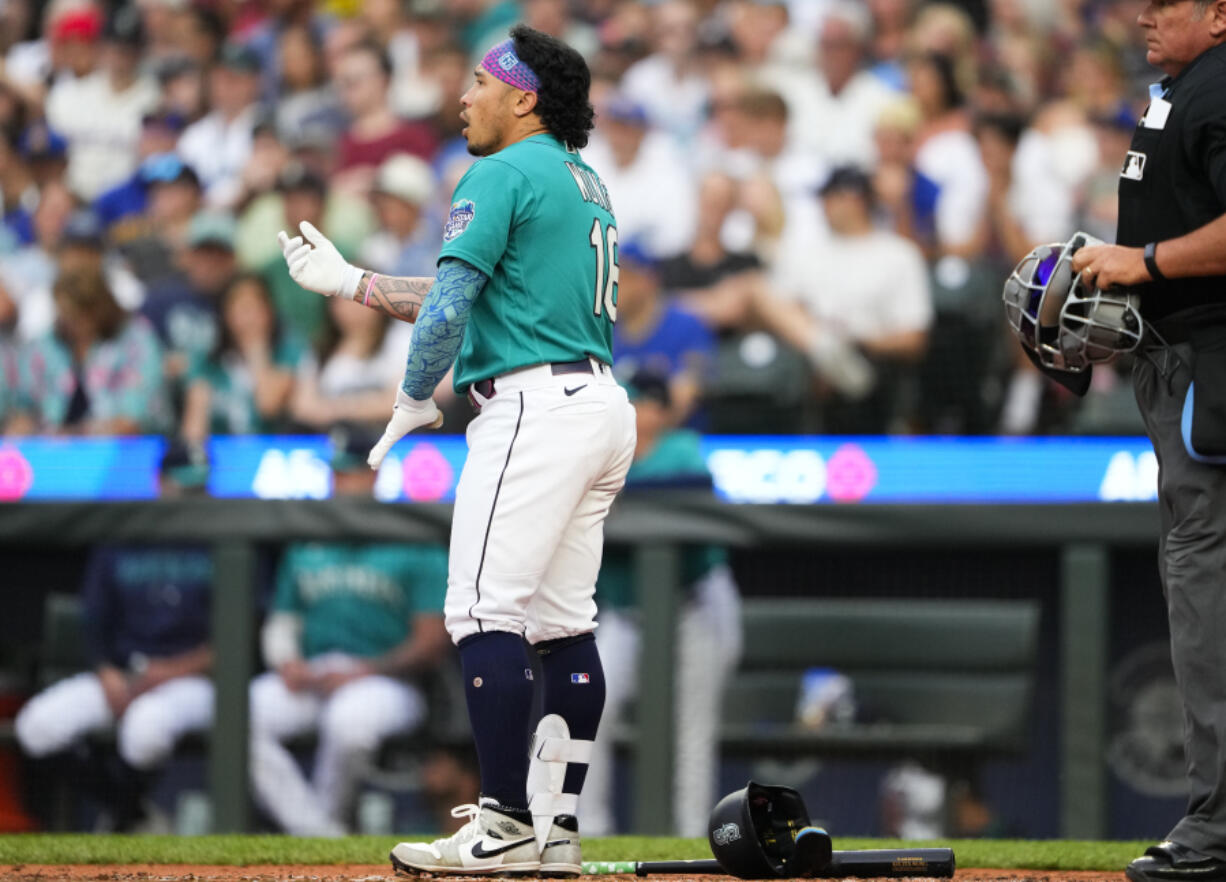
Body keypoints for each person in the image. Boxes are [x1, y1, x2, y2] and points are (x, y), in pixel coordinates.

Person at [278, 24, 635, 876]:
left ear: (524, 96)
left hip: (532, 409)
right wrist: (356, 283)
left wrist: (409, 400)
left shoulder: (501, 169)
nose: (463, 96)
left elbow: (448, 311)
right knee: (561, 623)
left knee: (481, 612)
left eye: (480, 81)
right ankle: (552, 832)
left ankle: (506, 824)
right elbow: (459, 293)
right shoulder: (581, 179)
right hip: (595, 403)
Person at [1067, 3, 1226, 880]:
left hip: (1212, 369)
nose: (1143, 13)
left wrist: (1148, 262)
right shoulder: (1183, 89)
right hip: (1187, 362)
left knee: (1209, 590)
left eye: (1167, 2)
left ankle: (1220, 829)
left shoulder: (1218, 87)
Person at [248, 427, 450, 836]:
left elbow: (431, 643)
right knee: (240, 711)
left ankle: (325, 823)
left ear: (375, 476)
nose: (341, 484)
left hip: (387, 681)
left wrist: (363, 671)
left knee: (349, 721)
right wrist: (288, 663)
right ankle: (316, 831)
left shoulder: (411, 537)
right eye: (336, 474)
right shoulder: (309, 539)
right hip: (315, 674)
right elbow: (282, 624)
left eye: (352, 473)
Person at [14, 440, 214, 831]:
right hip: (124, 674)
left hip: (190, 681)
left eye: (199, 486)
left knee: (146, 727)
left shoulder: (219, 542)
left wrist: (169, 672)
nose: (191, 496)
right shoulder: (123, 536)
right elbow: (94, 622)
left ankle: (124, 815)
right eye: (183, 485)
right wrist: (106, 672)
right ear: (160, 482)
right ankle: (131, 810)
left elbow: (235, 640)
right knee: (36, 726)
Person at [579, 369, 741, 837]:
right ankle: (589, 830)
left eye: (641, 403)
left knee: (692, 729)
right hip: (627, 615)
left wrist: (611, 495)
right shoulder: (594, 454)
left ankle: (692, 836)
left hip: (695, 606)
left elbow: (691, 490)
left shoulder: (681, 450)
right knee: (589, 709)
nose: (633, 412)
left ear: (658, 410)